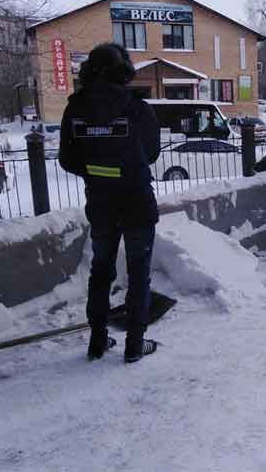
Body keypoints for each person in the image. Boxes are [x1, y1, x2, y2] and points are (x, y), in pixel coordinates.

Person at [59, 42, 161, 363]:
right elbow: (152, 154)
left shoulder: (75, 109)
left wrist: (97, 172)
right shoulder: (138, 108)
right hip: (136, 205)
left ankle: (97, 341)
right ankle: (134, 343)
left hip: (101, 205)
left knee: (100, 273)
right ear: (125, 71)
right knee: (138, 273)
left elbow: (67, 159)